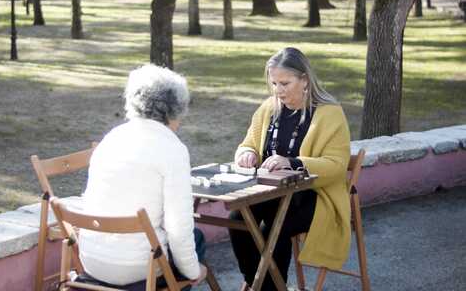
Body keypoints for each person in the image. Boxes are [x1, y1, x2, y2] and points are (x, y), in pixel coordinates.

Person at [230, 47, 351, 290]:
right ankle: (266, 285)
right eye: (274, 83)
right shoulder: (269, 108)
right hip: (271, 191)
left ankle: (267, 286)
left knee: (275, 225)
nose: (278, 90)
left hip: (315, 196)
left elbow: (337, 166)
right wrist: (247, 154)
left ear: (304, 79)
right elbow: (247, 144)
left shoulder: (330, 113)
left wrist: (293, 162)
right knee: (238, 219)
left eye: (285, 83)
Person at [78, 64, 207, 289]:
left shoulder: (112, 138)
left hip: (91, 260)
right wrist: (194, 271)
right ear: (173, 110)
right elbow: (179, 226)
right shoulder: (172, 148)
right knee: (196, 239)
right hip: (140, 267)